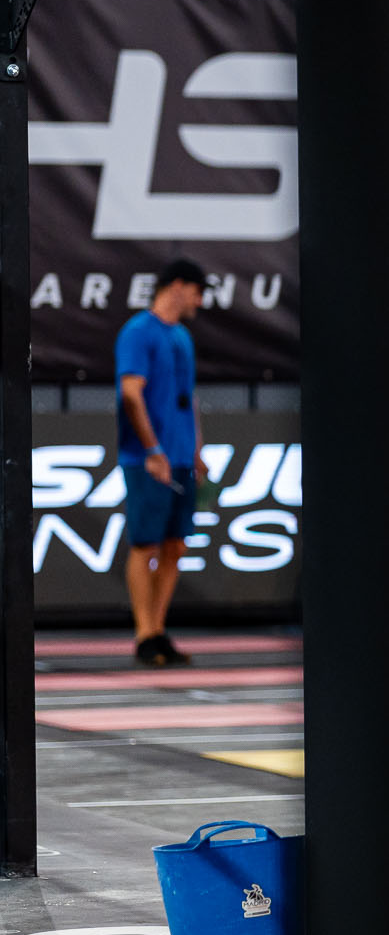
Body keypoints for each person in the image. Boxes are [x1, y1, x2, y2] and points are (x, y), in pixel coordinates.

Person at [116, 258, 206, 668]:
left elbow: (189, 399)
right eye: (197, 293)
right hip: (147, 458)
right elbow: (131, 393)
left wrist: (196, 449)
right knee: (145, 543)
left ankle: (158, 628)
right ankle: (143, 633)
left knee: (175, 544)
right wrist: (152, 450)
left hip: (181, 456)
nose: (199, 302)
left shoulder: (182, 336)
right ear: (178, 286)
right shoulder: (138, 332)